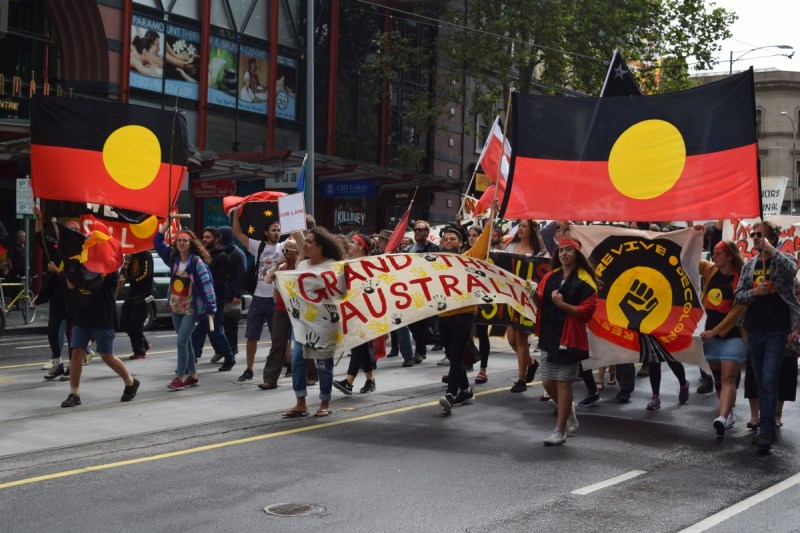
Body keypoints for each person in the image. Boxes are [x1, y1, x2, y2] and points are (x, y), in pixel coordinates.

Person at [735, 221, 800, 451]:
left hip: (777, 329)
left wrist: (771, 250)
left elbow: (792, 270)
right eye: (753, 234)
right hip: (755, 328)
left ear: (772, 237)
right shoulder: (749, 266)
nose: (754, 238)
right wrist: (755, 292)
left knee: (770, 378)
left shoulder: (784, 260)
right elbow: (739, 296)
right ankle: (766, 426)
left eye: (760, 234)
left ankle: (765, 430)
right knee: (761, 380)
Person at [534, 238, 597, 445]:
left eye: (568, 250)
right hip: (549, 335)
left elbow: (586, 312)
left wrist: (562, 304)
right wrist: (531, 293)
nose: (564, 254)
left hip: (569, 337)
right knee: (547, 383)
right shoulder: (550, 277)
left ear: (577, 254)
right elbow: (541, 303)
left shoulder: (585, 281)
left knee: (563, 384)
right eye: (561, 250)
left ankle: (559, 431)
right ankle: (567, 408)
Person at [438, 201, 497, 414]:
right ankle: (466, 390)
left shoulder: (469, 258)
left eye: (453, 239)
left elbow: (482, 244)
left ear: (460, 244)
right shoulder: (433, 264)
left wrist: (492, 218)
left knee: (456, 356)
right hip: (442, 316)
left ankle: (450, 395)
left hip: (463, 316)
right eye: (444, 239)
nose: (448, 241)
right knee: (453, 354)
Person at [60, 260, 139, 407]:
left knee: (106, 355)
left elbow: (93, 285)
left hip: (103, 316)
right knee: (76, 352)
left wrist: (74, 280)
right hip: (82, 315)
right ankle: (74, 393)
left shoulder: (110, 269)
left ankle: (130, 382)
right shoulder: (80, 266)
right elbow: (71, 286)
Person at [283, 227, 344, 418]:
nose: (305, 245)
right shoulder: (302, 266)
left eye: (310, 242)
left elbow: (343, 294)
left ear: (321, 247)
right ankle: (300, 402)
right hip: (303, 321)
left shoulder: (335, 267)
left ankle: (324, 402)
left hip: (326, 323)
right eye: (305, 241)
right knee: (297, 358)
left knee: (324, 364)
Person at [153, 225, 216, 390]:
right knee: (186, 341)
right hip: (175, 307)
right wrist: (164, 228)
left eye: (184, 241)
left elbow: (207, 286)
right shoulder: (173, 258)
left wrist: (211, 308)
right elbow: (158, 243)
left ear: (190, 244)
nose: (181, 243)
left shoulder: (197, 264)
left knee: (181, 341)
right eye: (179, 240)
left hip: (191, 309)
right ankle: (193, 375)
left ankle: (180, 377)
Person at [698, 235, 746, 438]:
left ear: (728, 257)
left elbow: (738, 311)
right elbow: (689, 254)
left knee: (728, 377)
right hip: (709, 334)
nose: (713, 256)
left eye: (718, 253)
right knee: (719, 379)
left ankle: (722, 417)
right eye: (714, 253)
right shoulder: (710, 270)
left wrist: (716, 331)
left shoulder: (742, 277)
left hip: (733, 334)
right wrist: (694, 232)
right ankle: (729, 413)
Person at [232, 210, 284, 382]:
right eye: (273, 230)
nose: (276, 233)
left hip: (276, 298)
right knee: (251, 335)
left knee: (279, 335)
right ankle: (249, 369)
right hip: (258, 298)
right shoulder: (258, 246)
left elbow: (301, 244)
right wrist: (236, 212)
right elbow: (237, 233)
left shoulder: (284, 247)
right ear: (266, 232)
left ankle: (289, 364)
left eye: (279, 230)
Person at [503, 219, 546, 394]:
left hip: (527, 298)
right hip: (510, 296)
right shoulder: (510, 247)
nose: (520, 228)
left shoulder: (539, 252)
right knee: (511, 338)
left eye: (524, 226)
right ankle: (531, 363)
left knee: (521, 339)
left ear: (532, 230)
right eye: (519, 225)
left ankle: (521, 379)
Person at [333, 234, 378, 395]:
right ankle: (370, 379)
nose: (349, 244)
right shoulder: (349, 263)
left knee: (358, 343)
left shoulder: (369, 264)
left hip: (365, 310)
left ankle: (349, 381)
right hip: (351, 309)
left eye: (353, 242)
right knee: (361, 344)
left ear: (361, 247)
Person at [191, 227, 235, 371]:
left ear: (217, 240)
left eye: (208, 237)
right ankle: (192, 359)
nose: (204, 239)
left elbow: (218, 281)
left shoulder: (222, 257)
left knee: (213, 331)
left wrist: (202, 286)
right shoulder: (201, 256)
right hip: (202, 300)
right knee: (200, 332)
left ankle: (229, 357)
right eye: (203, 236)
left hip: (215, 301)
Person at [257, 239, 299, 390]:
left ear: (296, 253)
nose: (285, 254)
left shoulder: (300, 267)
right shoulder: (281, 267)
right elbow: (268, 279)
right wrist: (276, 266)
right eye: (284, 251)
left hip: (297, 310)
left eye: (288, 251)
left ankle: (311, 374)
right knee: (277, 344)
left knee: (301, 343)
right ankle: (270, 379)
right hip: (281, 309)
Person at [211, 226, 246, 363]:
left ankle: (231, 350)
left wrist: (238, 294)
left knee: (230, 326)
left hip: (232, 295)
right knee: (213, 326)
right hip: (218, 295)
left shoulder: (237, 254)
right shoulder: (216, 253)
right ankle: (220, 350)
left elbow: (241, 275)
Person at [408, 220, 439, 364]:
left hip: (428, 292)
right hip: (411, 292)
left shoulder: (434, 249)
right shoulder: (408, 249)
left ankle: (420, 351)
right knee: (413, 324)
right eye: (415, 230)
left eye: (420, 230)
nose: (417, 232)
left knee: (424, 324)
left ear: (427, 232)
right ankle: (420, 349)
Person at [118, 250, 154, 360]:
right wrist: (124, 268)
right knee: (125, 320)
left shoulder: (146, 254)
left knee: (136, 323)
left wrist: (128, 279)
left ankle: (140, 351)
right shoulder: (130, 255)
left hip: (143, 294)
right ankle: (144, 344)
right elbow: (124, 272)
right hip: (132, 293)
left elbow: (144, 275)